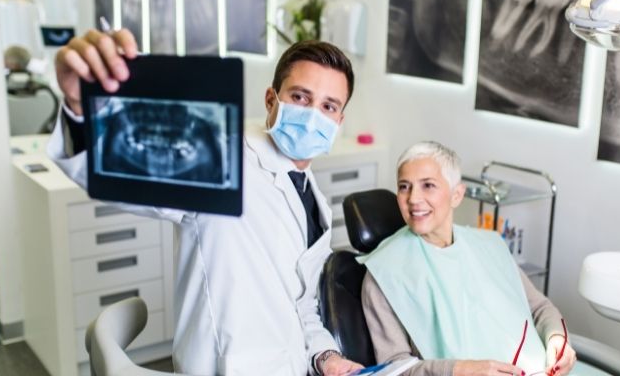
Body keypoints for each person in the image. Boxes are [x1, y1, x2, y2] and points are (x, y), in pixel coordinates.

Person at [48, 28, 364, 376]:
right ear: (272, 100)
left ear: (339, 120)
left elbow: (302, 304)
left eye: (328, 106)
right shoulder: (221, 158)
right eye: (301, 98)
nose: (313, 116)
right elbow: (129, 172)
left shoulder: (310, 193)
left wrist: (325, 357)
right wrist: (82, 108)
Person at [358, 141, 577, 376]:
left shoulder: (490, 246)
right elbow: (394, 370)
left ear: (456, 195)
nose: (413, 199)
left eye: (428, 185)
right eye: (404, 187)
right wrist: (457, 370)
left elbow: (540, 308)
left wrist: (556, 338)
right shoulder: (384, 273)